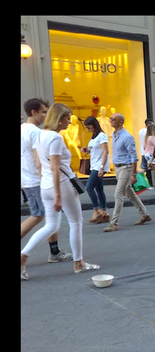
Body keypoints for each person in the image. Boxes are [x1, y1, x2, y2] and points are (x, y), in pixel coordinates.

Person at [21, 103, 100, 279]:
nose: (69, 122)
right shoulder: (55, 138)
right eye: (67, 118)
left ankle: (23, 255)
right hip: (61, 185)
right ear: (58, 118)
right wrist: (58, 195)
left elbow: (39, 164)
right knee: (75, 222)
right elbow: (56, 168)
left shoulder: (40, 134)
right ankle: (78, 263)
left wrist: (46, 181)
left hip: (45, 185)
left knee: (51, 225)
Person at [21, 98, 73, 267]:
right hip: (38, 180)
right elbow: (39, 161)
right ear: (33, 112)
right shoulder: (36, 132)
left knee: (48, 219)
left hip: (28, 179)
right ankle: (51, 252)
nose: (46, 115)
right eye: (43, 112)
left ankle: (54, 251)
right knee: (40, 217)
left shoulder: (22, 129)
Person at [103, 113, 152, 232]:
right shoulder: (114, 135)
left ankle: (114, 223)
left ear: (120, 122)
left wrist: (133, 173)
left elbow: (133, 156)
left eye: (113, 119)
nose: (110, 121)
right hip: (118, 167)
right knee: (130, 193)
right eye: (110, 119)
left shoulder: (126, 137)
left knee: (118, 194)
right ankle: (145, 214)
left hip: (126, 168)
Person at [82, 116, 110, 224]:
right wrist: (87, 150)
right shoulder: (94, 137)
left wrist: (102, 168)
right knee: (99, 189)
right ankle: (104, 211)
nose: (88, 129)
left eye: (89, 127)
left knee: (89, 187)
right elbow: (94, 150)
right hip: (94, 165)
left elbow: (105, 152)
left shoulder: (102, 136)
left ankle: (96, 210)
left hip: (99, 166)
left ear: (94, 125)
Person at [143, 123, 155, 190]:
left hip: (146, 154)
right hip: (152, 154)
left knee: (149, 169)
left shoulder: (146, 138)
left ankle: (149, 183)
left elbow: (144, 147)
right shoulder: (153, 138)